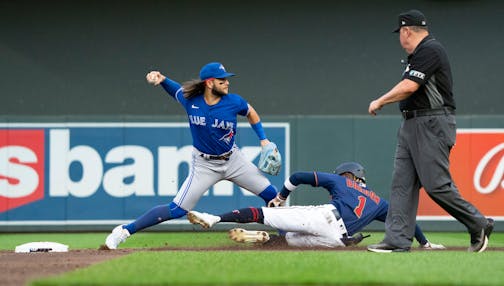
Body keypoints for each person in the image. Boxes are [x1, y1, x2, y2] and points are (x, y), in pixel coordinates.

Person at [105, 62, 280, 249]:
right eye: (222, 80)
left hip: (233, 159)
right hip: (204, 165)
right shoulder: (191, 100)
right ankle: (123, 231)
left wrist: (264, 139)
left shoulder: (234, 102)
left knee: (272, 195)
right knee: (177, 209)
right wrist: (162, 79)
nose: (227, 83)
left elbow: (251, 112)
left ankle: (286, 236)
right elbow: (175, 90)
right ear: (210, 83)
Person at [367, 10, 493, 253]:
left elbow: (410, 86)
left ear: (406, 31)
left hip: (431, 123)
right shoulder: (418, 55)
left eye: (400, 34)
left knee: (436, 185)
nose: (400, 39)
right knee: (401, 184)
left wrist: (380, 101)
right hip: (411, 124)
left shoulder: (430, 49)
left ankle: (478, 223)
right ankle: (397, 240)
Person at [188, 162, 445, 249]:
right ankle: (262, 237)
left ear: (349, 175)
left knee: (266, 213)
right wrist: (424, 243)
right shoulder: (379, 202)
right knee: (286, 242)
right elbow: (405, 222)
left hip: (324, 217)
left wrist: (281, 197)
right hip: (336, 239)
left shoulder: (340, 181)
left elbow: (297, 176)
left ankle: (214, 219)